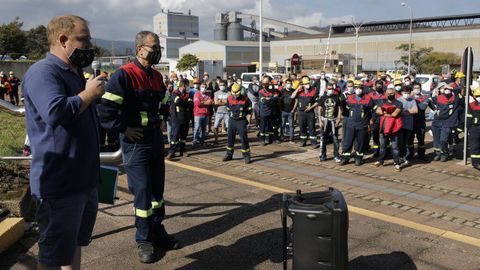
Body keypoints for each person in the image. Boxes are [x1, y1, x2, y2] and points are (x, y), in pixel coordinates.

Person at [23, 14, 105, 269]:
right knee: (52, 255)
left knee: (74, 245)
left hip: (84, 179)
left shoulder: (75, 72)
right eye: (83, 40)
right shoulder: (43, 72)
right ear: (63, 40)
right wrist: (88, 94)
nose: (89, 47)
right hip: (60, 184)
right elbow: (55, 111)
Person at [98, 30, 178, 263]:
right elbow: (105, 111)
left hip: (154, 140)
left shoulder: (155, 76)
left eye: (159, 47)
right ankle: (144, 239)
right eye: (154, 48)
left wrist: (162, 119)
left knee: (157, 192)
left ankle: (156, 229)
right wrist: (124, 128)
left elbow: (164, 101)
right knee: (142, 192)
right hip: (135, 143)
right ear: (139, 49)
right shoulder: (124, 75)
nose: (158, 52)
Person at [340, 80, 374, 166]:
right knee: (348, 141)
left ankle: (358, 159)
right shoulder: (350, 98)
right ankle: (345, 158)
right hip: (351, 124)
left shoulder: (368, 98)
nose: (358, 90)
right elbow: (344, 108)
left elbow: (375, 110)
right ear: (354, 89)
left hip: (362, 124)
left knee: (360, 142)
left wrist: (371, 119)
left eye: (360, 88)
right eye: (357, 88)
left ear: (363, 89)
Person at [373, 88, 404, 171]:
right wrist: (387, 113)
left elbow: (395, 114)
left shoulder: (399, 103)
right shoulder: (382, 102)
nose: (390, 95)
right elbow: (378, 111)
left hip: (394, 128)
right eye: (388, 93)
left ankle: (397, 163)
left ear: (395, 93)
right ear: (386, 94)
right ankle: (380, 160)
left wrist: (385, 113)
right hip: (383, 127)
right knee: (382, 145)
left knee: (395, 147)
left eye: (392, 93)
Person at [223, 83, 252, 164]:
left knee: (243, 139)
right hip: (232, 121)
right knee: (230, 138)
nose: (235, 96)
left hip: (241, 121)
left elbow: (249, 112)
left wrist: (248, 123)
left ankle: (246, 156)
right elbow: (228, 109)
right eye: (234, 94)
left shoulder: (246, 99)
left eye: (237, 94)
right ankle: (229, 154)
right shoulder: (229, 98)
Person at [431, 83, 459, 162]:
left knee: (443, 139)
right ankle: (438, 153)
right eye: (444, 89)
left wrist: (450, 86)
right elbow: (430, 100)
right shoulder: (438, 98)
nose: (446, 90)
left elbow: (459, 90)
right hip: (436, 122)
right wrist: (435, 92)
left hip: (448, 123)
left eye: (448, 89)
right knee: (436, 139)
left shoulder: (455, 99)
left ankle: (444, 154)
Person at [315, 83, 342, 162]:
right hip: (324, 120)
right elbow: (319, 109)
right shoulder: (323, 98)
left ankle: (336, 155)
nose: (331, 90)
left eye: (332, 89)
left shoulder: (337, 97)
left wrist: (338, 119)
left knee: (335, 139)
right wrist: (319, 121)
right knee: (323, 139)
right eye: (329, 89)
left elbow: (339, 109)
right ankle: (323, 155)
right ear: (326, 89)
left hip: (333, 120)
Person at [167, 78, 193, 160]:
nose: (187, 87)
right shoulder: (175, 93)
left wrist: (185, 103)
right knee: (174, 137)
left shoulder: (188, 94)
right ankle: (172, 152)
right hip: (176, 119)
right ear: (183, 85)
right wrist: (186, 103)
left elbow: (191, 104)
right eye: (186, 85)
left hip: (185, 119)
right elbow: (177, 102)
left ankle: (183, 150)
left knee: (183, 137)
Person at [291, 76, 318, 147]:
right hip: (301, 112)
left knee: (312, 127)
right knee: (302, 127)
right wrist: (298, 89)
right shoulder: (299, 92)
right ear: (302, 84)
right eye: (305, 84)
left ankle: (314, 143)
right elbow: (292, 96)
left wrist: (311, 107)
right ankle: (303, 141)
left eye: (308, 83)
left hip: (310, 113)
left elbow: (317, 102)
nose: (307, 85)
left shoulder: (313, 90)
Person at [412, 82, 433, 161]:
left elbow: (426, 107)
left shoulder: (424, 98)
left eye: (418, 88)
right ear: (412, 89)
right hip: (411, 122)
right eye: (415, 88)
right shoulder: (410, 98)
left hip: (421, 122)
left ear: (420, 89)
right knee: (410, 140)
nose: (417, 89)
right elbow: (422, 106)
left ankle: (422, 155)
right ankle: (410, 154)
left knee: (421, 140)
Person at [397, 86, 418, 164]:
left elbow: (415, 110)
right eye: (405, 93)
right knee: (399, 142)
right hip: (399, 125)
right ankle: (398, 157)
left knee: (406, 142)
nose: (406, 94)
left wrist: (405, 111)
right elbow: (398, 111)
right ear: (402, 92)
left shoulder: (412, 101)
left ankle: (404, 157)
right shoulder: (398, 100)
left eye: (408, 93)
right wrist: (409, 111)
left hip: (408, 125)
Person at [193, 82, 213, 148]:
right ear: (200, 88)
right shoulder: (196, 94)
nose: (203, 88)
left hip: (206, 114)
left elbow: (210, 102)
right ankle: (195, 142)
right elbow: (197, 103)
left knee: (204, 129)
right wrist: (205, 102)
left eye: (205, 87)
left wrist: (202, 102)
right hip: (198, 114)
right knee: (197, 128)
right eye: (202, 87)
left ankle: (202, 141)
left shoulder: (208, 95)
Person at [279, 79, 297, 143]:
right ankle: (282, 137)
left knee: (291, 126)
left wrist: (293, 110)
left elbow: (296, 101)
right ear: (285, 84)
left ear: (292, 84)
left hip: (291, 111)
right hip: (283, 111)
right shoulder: (282, 91)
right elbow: (279, 101)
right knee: (282, 125)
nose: (289, 84)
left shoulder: (293, 91)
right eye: (288, 83)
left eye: (290, 83)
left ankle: (291, 139)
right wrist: (280, 109)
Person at [467, 87, 480, 170]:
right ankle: (476, 163)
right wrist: (469, 130)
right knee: (475, 146)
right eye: (478, 95)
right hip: (474, 128)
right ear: (474, 96)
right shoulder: (471, 105)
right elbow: (468, 118)